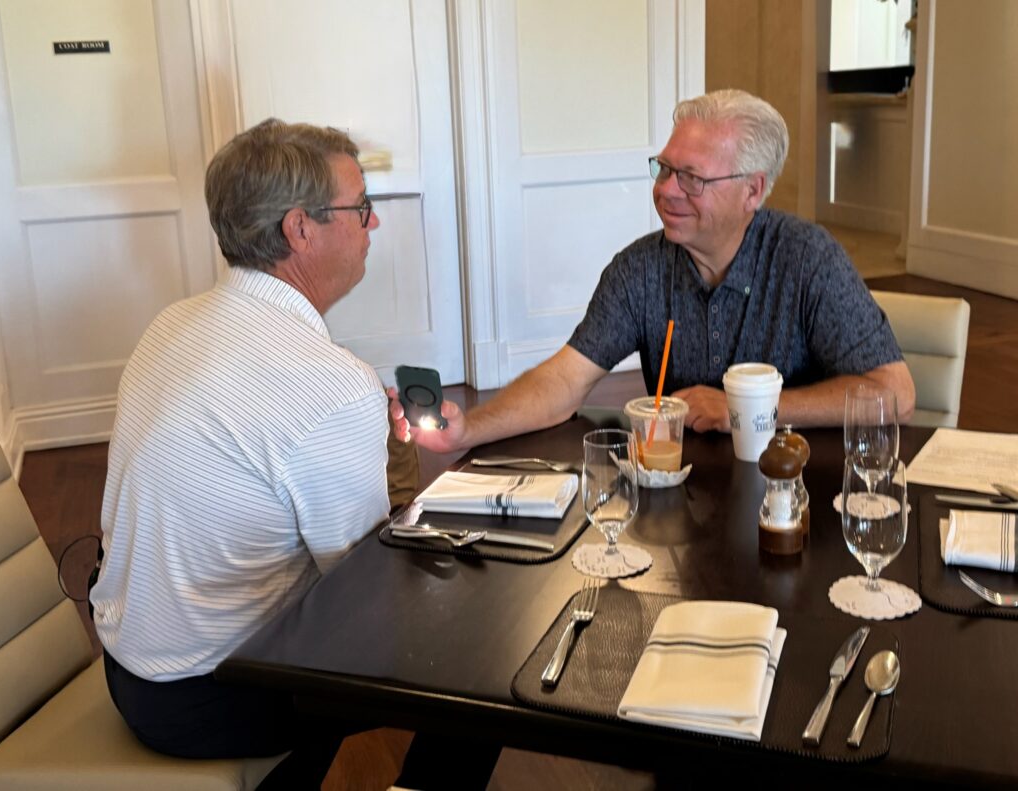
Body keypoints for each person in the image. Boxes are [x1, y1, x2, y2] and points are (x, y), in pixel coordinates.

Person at [90, 119, 493, 789]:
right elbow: (366, 593)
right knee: (483, 658)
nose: (374, 226)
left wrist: (365, 442)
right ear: (300, 229)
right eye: (361, 207)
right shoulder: (330, 384)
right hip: (206, 694)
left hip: (129, 665)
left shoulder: (174, 322)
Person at [391, 89, 915, 452]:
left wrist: (747, 408)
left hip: (801, 493)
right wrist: (467, 430)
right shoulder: (639, 270)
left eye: (691, 177)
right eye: (664, 168)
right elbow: (563, 383)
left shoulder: (809, 259)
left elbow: (894, 394)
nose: (665, 190)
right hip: (680, 498)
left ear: (752, 190)